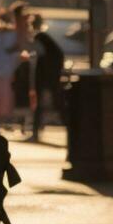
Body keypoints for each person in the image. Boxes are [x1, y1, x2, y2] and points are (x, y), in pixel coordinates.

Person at [0, 4, 32, 133]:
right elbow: (17, 48)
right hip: (4, 72)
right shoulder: (10, 35)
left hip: (1, 71)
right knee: (2, 103)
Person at [29, 14, 66, 143]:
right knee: (53, 103)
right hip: (49, 75)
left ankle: (35, 132)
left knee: (42, 104)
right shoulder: (45, 38)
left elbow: (37, 55)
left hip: (45, 75)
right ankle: (36, 131)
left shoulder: (39, 37)